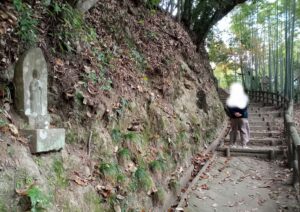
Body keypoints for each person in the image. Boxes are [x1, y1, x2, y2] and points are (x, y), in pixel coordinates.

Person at [226, 82, 250, 148]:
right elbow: (245, 106)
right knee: (244, 130)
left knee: (234, 130)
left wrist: (234, 113)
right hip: (243, 117)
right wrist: (241, 113)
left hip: (234, 117)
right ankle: (244, 145)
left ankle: (232, 144)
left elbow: (229, 106)